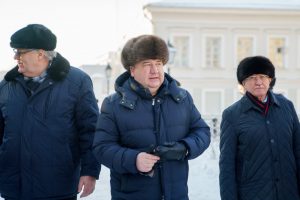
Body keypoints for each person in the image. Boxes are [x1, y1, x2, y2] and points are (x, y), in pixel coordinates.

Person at [93, 34, 211, 200]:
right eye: (147, 64)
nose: (155, 70)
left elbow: (203, 132)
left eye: (158, 64)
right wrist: (134, 160)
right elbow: (102, 147)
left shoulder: (182, 98)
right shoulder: (113, 104)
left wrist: (185, 148)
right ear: (132, 70)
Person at [0, 24, 100, 200]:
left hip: (58, 187)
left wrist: (90, 171)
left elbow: (90, 130)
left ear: (41, 53)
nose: (16, 56)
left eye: (21, 51)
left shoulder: (77, 82)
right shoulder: (6, 87)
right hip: (15, 189)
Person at [219, 56, 300, 200]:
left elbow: (298, 150)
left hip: (289, 192)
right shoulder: (232, 115)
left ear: (270, 80)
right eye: (252, 77)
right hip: (253, 194)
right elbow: (227, 166)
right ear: (243, 83)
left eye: (263, 76)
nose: (258, 82)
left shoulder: (287, 107)